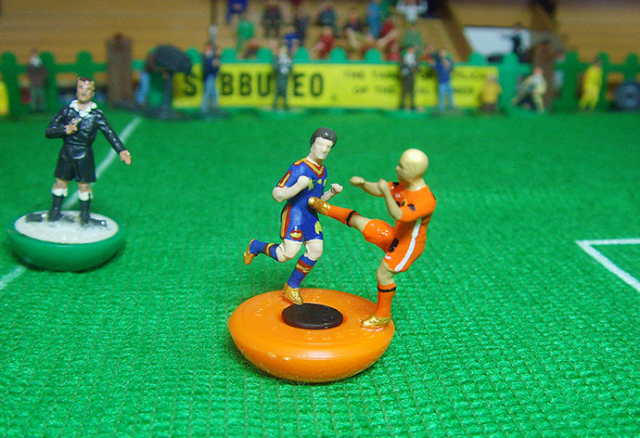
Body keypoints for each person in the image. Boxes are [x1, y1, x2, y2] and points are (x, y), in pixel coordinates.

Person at [309, 149, 436, 328]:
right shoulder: (403, 185)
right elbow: (377, 188)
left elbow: (398, 214)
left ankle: (383, 316)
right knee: (361, 223)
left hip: (407, 247)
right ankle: (325, 208)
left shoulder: (426, 200)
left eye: (401, 166)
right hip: (396, 236)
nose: (397, 168)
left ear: (413, 172)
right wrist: (363, 184)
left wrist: (386, 193)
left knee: (383, 274)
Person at [244, 128, 342, 305]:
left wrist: (331, 193)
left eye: (328, 147)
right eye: (321, 144)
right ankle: (256, 245)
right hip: (295, 214)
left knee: (316, 250)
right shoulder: (299, 168)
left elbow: (317, 201)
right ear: (312, 144)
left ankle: (291, 286)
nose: (324, 150)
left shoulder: (323, 171)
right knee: (286, 255)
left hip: (310, 216)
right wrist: (297, 187)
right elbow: (277, 194)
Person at [28, 77, 132, 226]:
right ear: (76, 90)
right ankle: (55, 211)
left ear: (93, 93)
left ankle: (84, 216)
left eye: (87, 89)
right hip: (67, 153)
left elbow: (109, 133)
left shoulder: (96, 115)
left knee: (84, 186)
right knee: (60, 183)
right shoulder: (66, 111)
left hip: (84, 155)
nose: (84, 91)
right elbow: (49, 131)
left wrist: (121, 150)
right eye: (81, 88)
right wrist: (65, 129)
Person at [200, 42, 221, 114]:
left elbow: (216, 67)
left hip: (211, 76)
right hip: (209, 76)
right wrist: (214, 62)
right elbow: (208, 66)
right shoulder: (207, 56)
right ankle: (204, 108)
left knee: (214, 93)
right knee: (208, 92)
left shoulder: (212, 56)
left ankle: (213, 106)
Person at [273, 43, 292, 110]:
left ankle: (285, 105)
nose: (283, 50)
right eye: (282, 49)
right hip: (279, 77)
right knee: (278, 91)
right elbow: (274, 66)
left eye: (284, 49)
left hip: (285, 77)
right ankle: (275, 105)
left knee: (284, 91)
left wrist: (288, 69)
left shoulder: (288, 58)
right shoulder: (277, 58)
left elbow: (291, 66)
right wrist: (279, 69)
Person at [399, 46, 419, 111]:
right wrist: (406, 70)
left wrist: (415, 69)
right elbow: (401, 66)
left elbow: (417, 67)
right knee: (404, 91)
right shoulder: (404, 57)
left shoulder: (415, 58)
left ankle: (412, 104)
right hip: (405, 76)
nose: (412, 51)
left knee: (412, 91)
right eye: (411, 49)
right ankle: (402, 105)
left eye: (413, 50)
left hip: (412, 76)